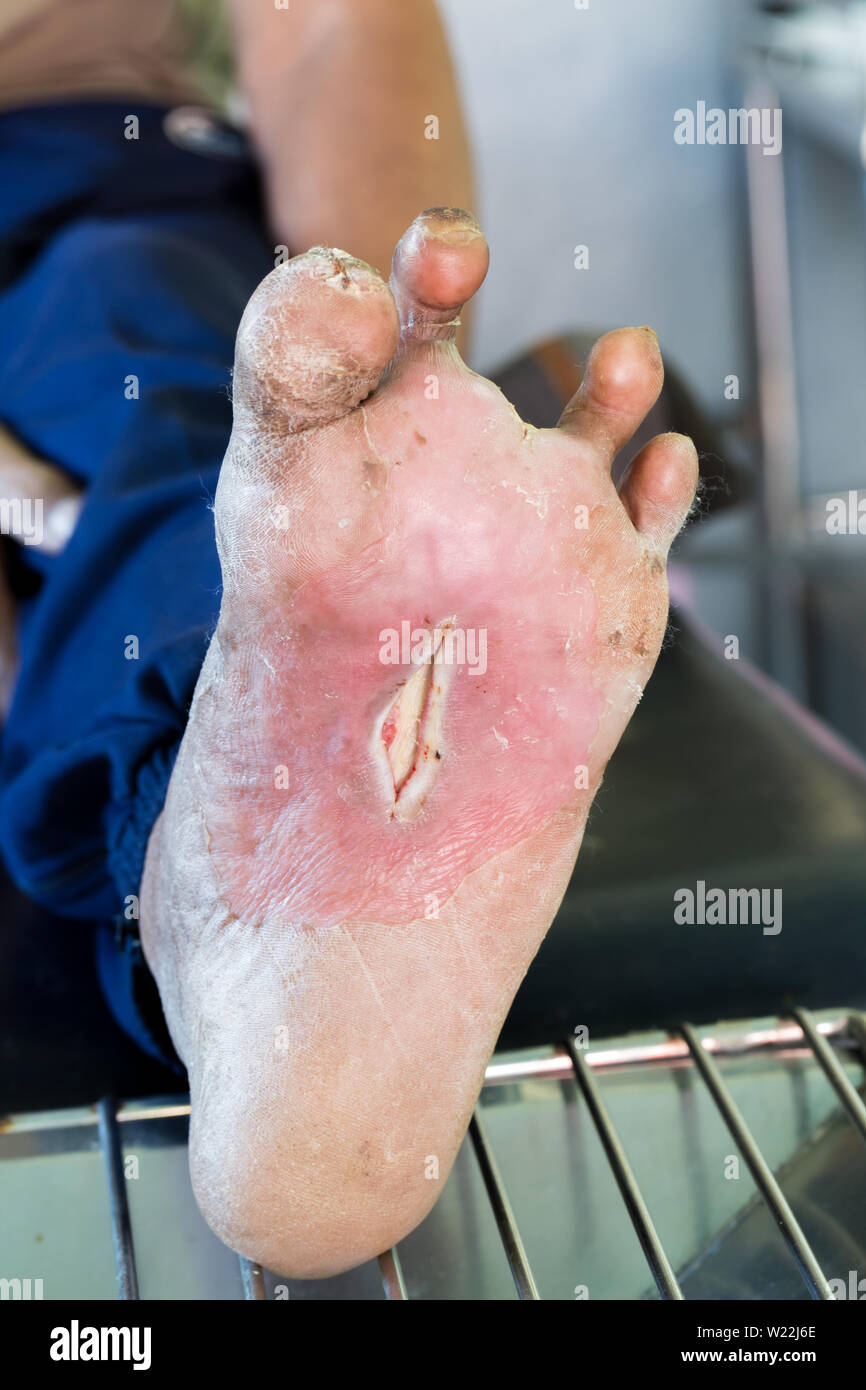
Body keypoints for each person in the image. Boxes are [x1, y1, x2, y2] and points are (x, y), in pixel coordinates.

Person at [0, 0, 697, 1276]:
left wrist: (377, 404)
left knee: (155, 378)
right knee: (132, 475)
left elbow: (337, 22)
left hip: (94, 189)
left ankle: (223, 855)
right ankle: (222, 890)